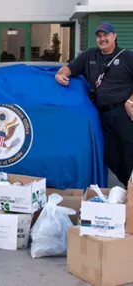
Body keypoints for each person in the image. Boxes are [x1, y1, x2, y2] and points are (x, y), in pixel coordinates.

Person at [55, 23, 133, 186]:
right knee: (110, 156)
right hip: (102, 114)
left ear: (114, 36)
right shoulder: (89, 55)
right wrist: (59, 75)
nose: (102, 39)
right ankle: (128, 185)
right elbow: (69, 68)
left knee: (129, 153)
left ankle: (130, 190)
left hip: (123, 113)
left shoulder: (127, 57)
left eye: (106, 35)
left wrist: (130, 101)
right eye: (99, 36)